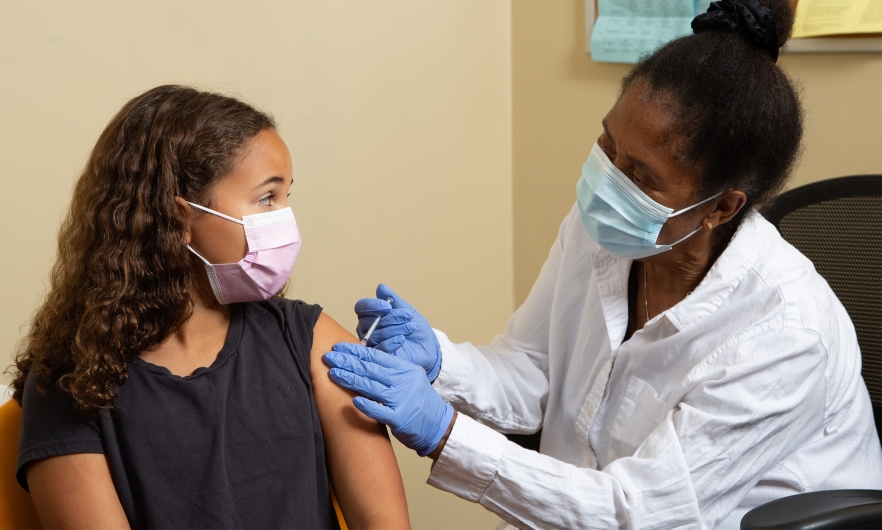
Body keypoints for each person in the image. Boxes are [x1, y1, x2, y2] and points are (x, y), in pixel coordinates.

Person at [322, 1, 882, 528]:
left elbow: (634, 513)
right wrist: (441, 363)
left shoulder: (785, 334)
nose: (609, 182)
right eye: (608, 146)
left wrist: (444, 433)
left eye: (641, 176)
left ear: (720, 207)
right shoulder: (606, 230)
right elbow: (536, 374)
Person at [10, 85, 409, 529]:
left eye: (285, 197)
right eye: (266, 199)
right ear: (180, 218)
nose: (284, 221)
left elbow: (385, 522)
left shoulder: (309, 338)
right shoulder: (71, 384)